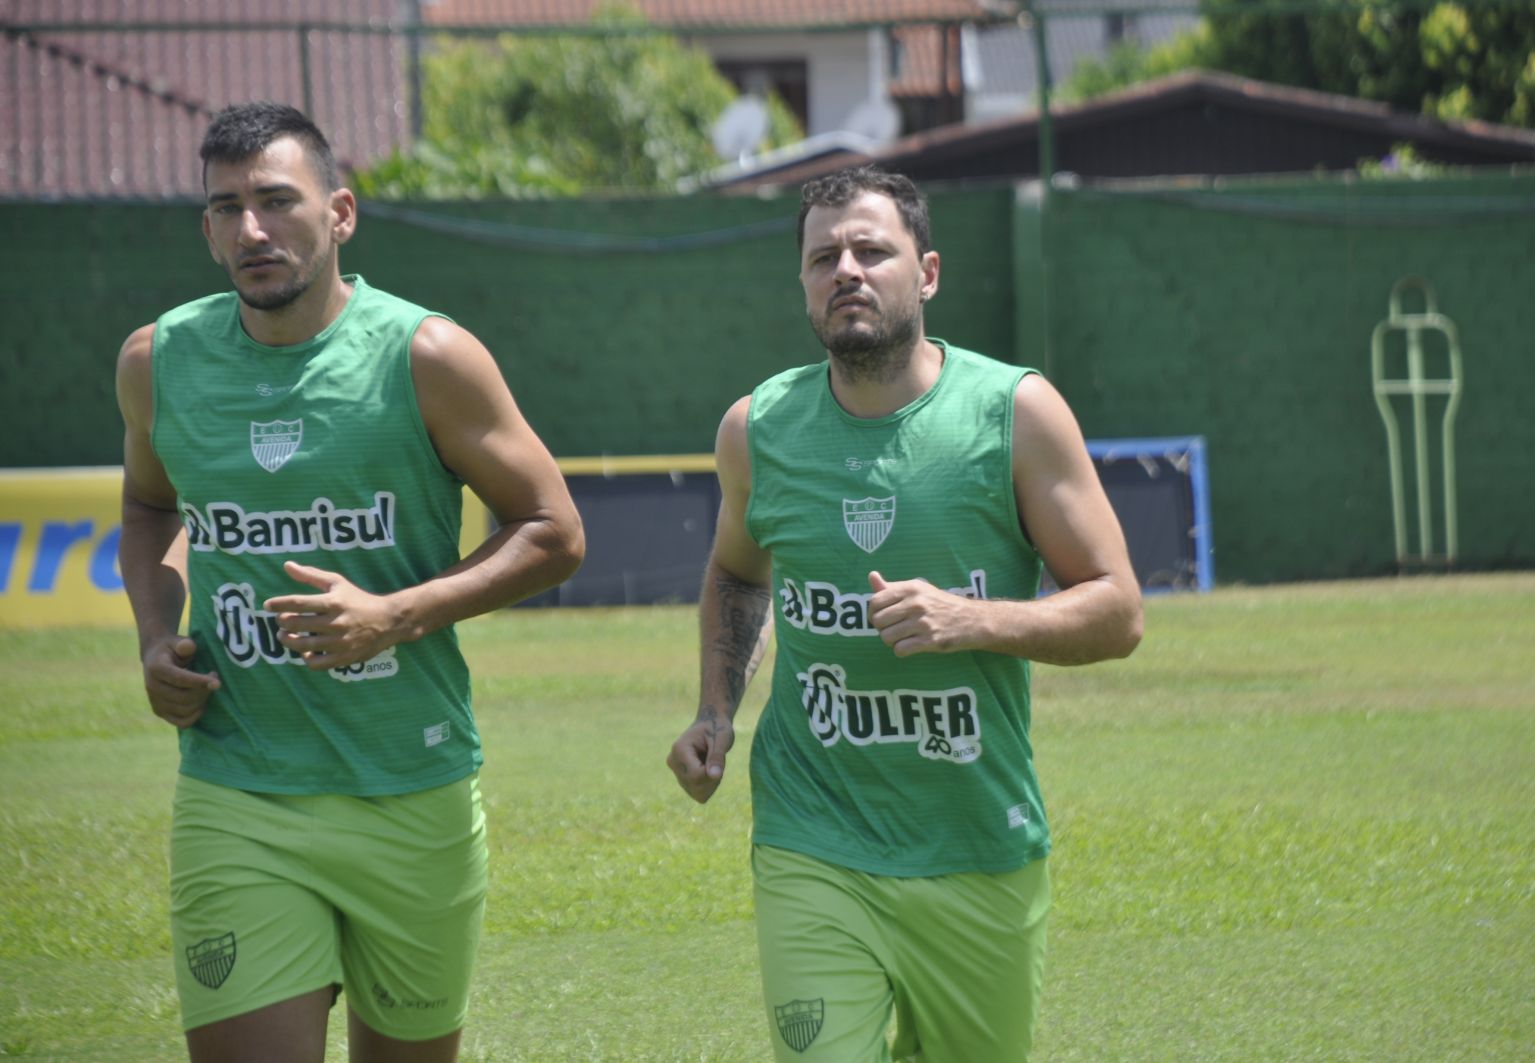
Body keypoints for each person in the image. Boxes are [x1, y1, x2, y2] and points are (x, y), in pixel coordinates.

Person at [115, 101, 584, 1063]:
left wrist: (395, 615)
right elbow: (149, 510)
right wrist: (156, 634)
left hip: (413, 789)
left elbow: (553, 531)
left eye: (277, 201)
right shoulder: (157, 362)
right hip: (238, 789)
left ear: (340, 212)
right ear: (206, 231)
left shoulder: (428, 357)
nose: (253, 229)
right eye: (226, 208)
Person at [667, 166, 1143, 1062]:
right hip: (813, 836)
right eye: (822, 257)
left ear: (926, 273)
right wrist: (716, 711)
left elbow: (1117, 610)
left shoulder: (1016, 413)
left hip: (977, 847)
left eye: (870, 250)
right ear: (804, 284)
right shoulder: (756, 429)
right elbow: (737, 575)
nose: (845, 269)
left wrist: (975, 620)